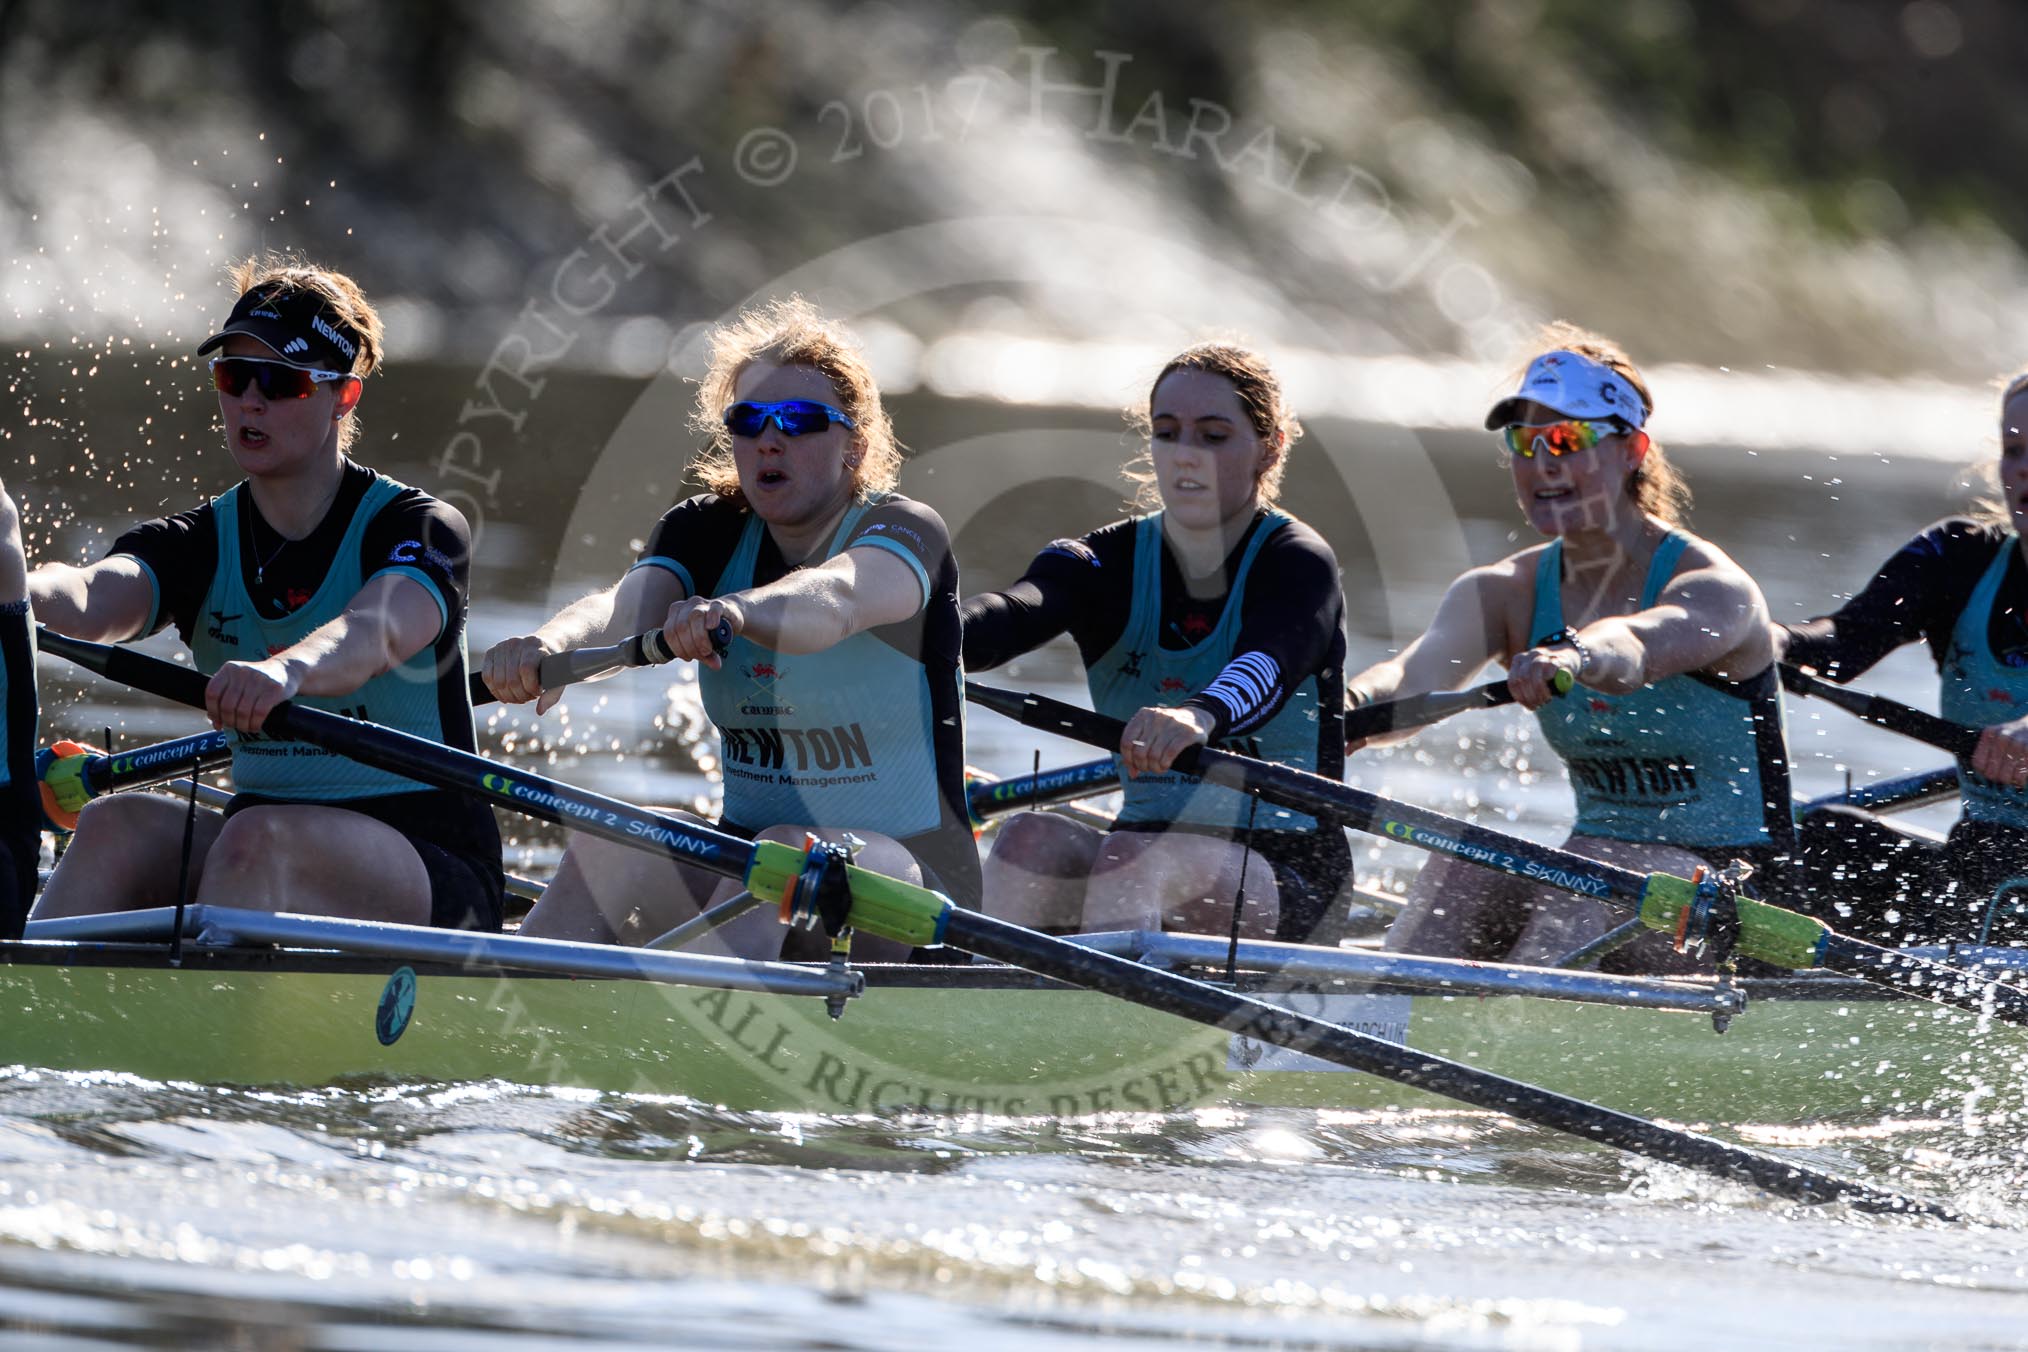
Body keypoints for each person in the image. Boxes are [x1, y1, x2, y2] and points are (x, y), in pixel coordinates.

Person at [487, 298, 977, 960]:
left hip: (915, 885)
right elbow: (625, 607)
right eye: (748, 421)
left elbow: (834, 600)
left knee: (779, 854)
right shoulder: (706, 528)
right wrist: (551, 645)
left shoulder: (904, 532)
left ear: (854, 446)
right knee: (614, 836)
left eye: (799, 421)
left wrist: (737, 612)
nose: (769, 439)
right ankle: (508, 1007)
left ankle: (689, 1031)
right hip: (750, 866)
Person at [26, 254, 504, 930]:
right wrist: (19, 588)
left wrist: (284, 671)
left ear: (343, 396)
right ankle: (29, 1024)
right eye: (233, 375)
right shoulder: (200, 542)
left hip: (428, 863)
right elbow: (90, 596)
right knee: (113, 823)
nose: (249, 399)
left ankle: (215, 1025)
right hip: (267, 839)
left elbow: (374, 632)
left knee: (257, 840)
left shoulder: (419, 528)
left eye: (280, 381)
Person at [1346, 323, 1792, 974]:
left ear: (1631, 450)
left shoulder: (1717, 589)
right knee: (1456, 867)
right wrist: (1345, 706)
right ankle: (1378, 1029)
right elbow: (1409, 679)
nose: (1542, 463)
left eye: (1566, 439)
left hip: (1740, 898)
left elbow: (1634, 646)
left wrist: (1572, 654)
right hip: (1596, 876)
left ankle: (1508, 1036)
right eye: (1524, 443)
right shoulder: (1505, 593)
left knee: (1588, 880)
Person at [962, 343, 1350, 942]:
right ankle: (970, 1017)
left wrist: (1199, 714)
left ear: (1268, 448)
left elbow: (1268, 664)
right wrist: (914, 638)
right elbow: (1010, 615)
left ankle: (1102, 1027)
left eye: (1214, 436)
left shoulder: (1297, 563)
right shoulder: (1103, 562)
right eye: (1167, 433)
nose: (1185, 455)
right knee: (1026, 839)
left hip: (1289, 868)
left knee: (1131, 859)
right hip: (1142, 847)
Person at [1778, 369, 2028, 945]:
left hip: (2003, 879)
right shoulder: (1959, 559)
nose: (2022, 469)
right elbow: (1841, 645)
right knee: (1828, 838)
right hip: (1983, 863)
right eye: (2013, 450)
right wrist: (1763, 640)